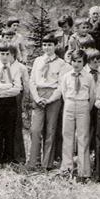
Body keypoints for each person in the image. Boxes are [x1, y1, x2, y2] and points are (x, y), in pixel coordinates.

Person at [27, 34, 70, 171]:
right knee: (35, 129)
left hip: (53, 97)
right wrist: (37, 97)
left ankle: (47, 163)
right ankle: (33, 162)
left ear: (55, 46)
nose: (47, 48)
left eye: (50, 45)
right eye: (45, 45)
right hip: (39, 95)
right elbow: (32, 81)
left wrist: (51, 99)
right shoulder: (38, 61)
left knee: (50, 130)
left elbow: (61, 85)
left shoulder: (61, 64)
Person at [58, 49, 96, 180]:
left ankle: (83, 171)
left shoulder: (89, 77)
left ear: (84, 63)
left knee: (83, 137)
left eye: (79, 61)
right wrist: (70, 102)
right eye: (74, 61)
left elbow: (92, 96)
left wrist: (85, 107)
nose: (76, 64)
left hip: (83, 105)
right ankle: (67, 168)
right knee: (67, 136)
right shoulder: (66, 76)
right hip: (69, 104)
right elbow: (63, 93)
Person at [0, 41, 24, 167]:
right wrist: (8, 86)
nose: (4, 56)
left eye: (7, 54)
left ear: (11, 55)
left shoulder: (15, 69)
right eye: (2, 53)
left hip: (10, 103)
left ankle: (8, 158)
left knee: (10, 131)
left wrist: (3, 89)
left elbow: (17, 88)